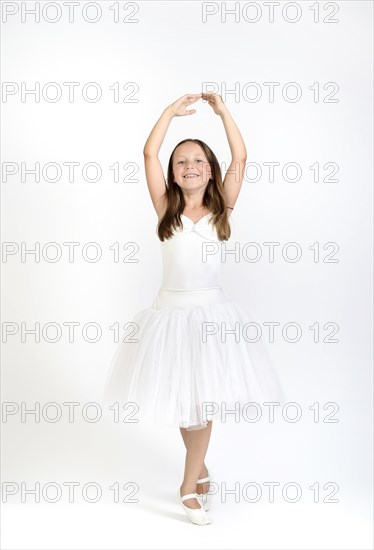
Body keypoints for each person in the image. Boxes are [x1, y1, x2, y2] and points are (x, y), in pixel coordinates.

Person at [102, 92, 285, 525]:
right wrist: (168, 113)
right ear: (172, 171)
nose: (189, 166)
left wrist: (223, 113)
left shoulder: (223, 206)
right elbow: (148, 151)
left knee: (202, 402)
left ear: (210, 170)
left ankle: (187, 487)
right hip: (169, 316)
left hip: (212, 317)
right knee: (185, 400)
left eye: (198, 160)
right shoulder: (165, 207)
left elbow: (241, 154)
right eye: (181, 160)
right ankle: (199, 468)